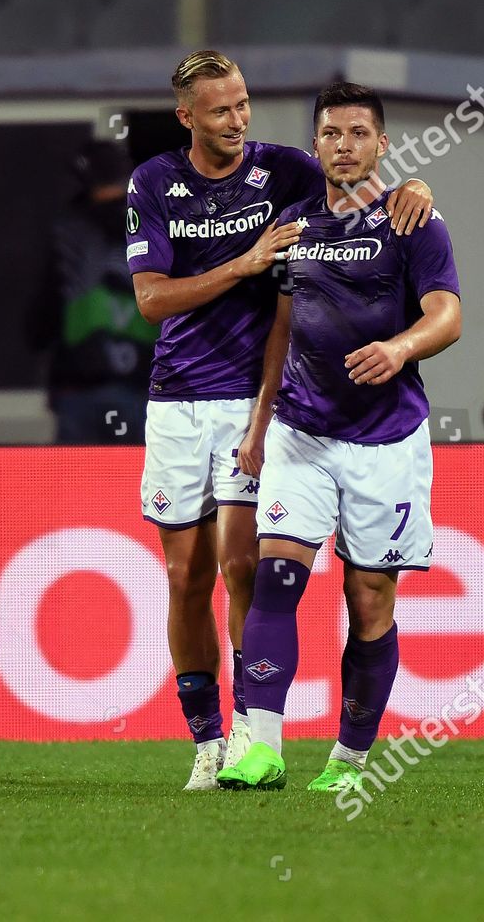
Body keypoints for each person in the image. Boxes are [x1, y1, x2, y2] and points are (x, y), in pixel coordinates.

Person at [126, 50, 435, 790]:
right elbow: (151, 302)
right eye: (221, 110)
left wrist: (417, 185)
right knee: (183, 575)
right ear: (187, 117)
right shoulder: (156, 183)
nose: (237, 120)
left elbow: (356, 179)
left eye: (243, 105)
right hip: (175, 396)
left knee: (244, 568)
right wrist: (243, 263)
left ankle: (249, 738)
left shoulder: (287, 169)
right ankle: (204, 738)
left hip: (256, 398)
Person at [213, 82, 461, 791]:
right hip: (302, 433)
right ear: (316, 143)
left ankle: (349, 762)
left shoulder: (415, 221)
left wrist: (402, 348)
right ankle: (260, 749)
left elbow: (448, 315)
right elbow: (281, 332)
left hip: (387, 441)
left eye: (358, 133)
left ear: (382, 144)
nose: (344, 145)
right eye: (331, 134)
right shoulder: (293, 228)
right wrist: (259, 422)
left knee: (369, 599)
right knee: (276, 577)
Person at [30, 140, 155, 444]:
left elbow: (41, 320)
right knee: (138, 487)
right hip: (142, 385)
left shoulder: (69, 229)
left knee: (76, 488)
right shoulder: (154, 225)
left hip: (78, 386)